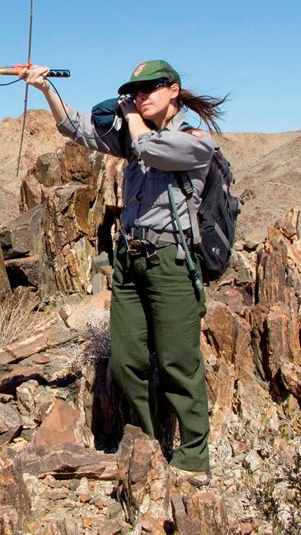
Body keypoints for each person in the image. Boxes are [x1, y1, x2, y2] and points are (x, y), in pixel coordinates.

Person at [22, 60, 226, 485]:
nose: (140, 95)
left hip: (171, 263)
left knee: (177, 362)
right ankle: (151, 444)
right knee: (127, 361)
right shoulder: (134, 140)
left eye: (150, 88)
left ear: (173, 89)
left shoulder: (194, 141)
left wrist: (130, 115)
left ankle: (194, 457)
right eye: (135, 91)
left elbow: (153, 149)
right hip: (130, 263)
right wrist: (44, 90)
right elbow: (77, 129)